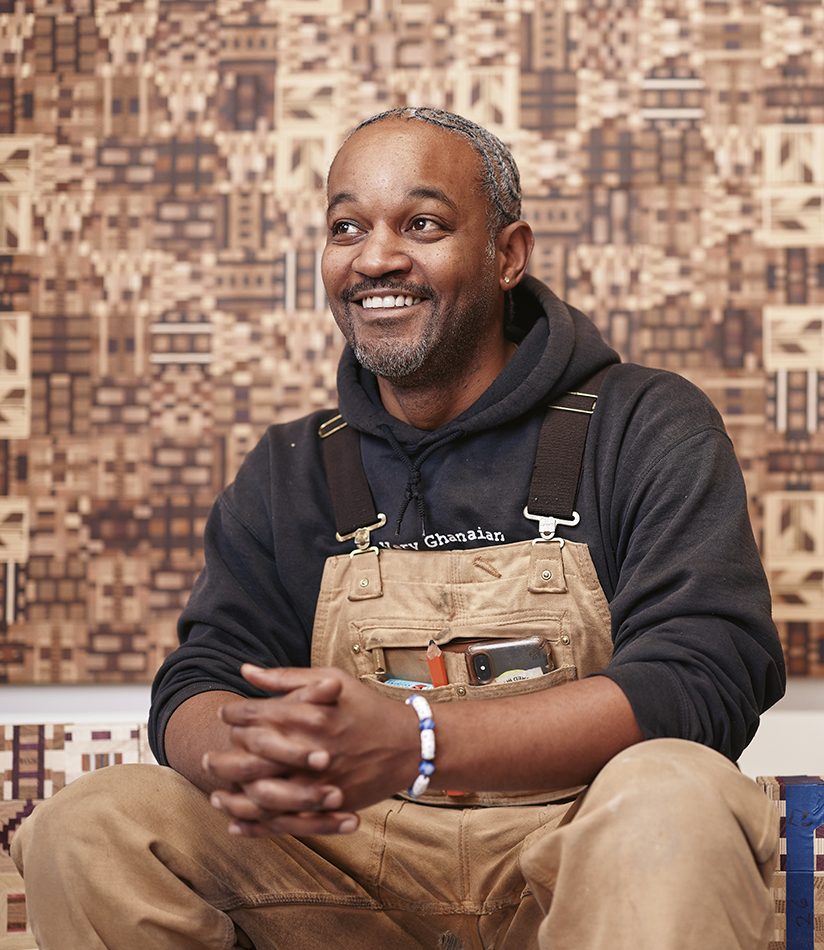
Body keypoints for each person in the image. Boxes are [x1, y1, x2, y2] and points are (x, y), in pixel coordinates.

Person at [13, 107, 785, 950]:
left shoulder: (645, 424)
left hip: (580, 859)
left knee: (678, 795)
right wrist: (247, 757)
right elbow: (201, 677)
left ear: (507, 255)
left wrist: (418, 741)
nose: (375, 257)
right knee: (94, 825)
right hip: (345, 870)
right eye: (347, 227)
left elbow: (704, 679)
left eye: (422, 224)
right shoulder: (290, 466)